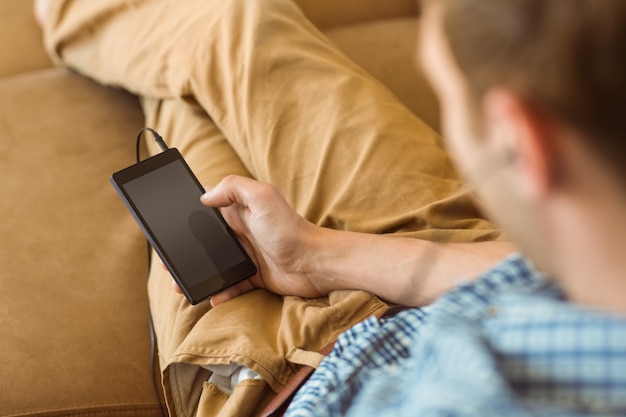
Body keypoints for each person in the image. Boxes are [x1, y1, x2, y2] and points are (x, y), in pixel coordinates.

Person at [35, 0, 626, 415]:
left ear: (520, 142)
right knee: (235, 23)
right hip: (441, 258)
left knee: (182, 114)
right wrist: (320, 255)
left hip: (280, 378)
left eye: (449, 93)